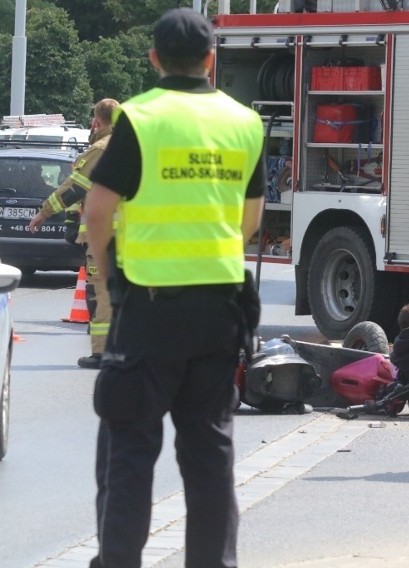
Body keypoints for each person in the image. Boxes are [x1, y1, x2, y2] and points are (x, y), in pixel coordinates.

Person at [83, 8, 265, 567]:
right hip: (219, 308)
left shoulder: (140, 118)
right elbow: (251, 219)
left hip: (150, 309)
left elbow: (97, 210)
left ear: (154, 58)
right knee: (210, 452)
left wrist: (109, 274)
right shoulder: (244, 122)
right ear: (211, 59)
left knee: (130, 449)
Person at [28, 98, 119, 369]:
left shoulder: (101, 149)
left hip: (106, 234)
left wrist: (45, 212)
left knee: (101, 291)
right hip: (137, 233)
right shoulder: (135, 146)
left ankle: (102, 353)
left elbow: (75, 187)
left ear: (97, 121)